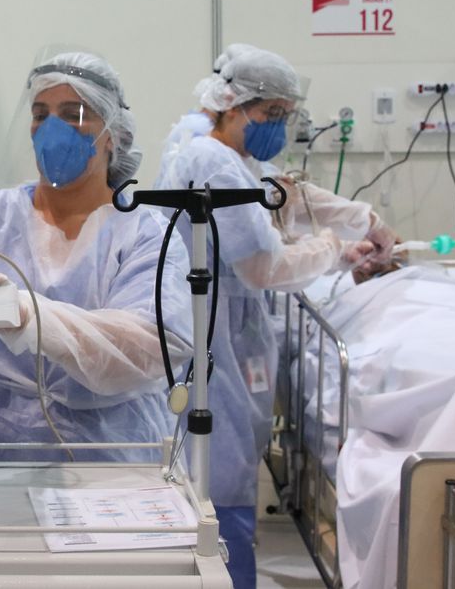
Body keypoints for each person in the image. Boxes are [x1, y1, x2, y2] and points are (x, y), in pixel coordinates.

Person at [154, 46, 380, 588]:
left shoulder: (230, 157)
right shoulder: (211, 159)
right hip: (216, 332)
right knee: (221, 467)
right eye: (271, 114)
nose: (279, 126)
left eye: (285, 115)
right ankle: (226, 576)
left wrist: (357, 228)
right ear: (234, 106)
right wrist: (331, 246)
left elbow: (284, 195)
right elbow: (260, 265)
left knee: (222, 460)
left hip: (227, 327)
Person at [0, 51, 193, 463]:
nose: (51, 129)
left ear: (113, 133)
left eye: (73, 114)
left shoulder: (145, 234)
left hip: (110, 445)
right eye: (40, 114)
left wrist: (28, 315)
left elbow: (147, 347)